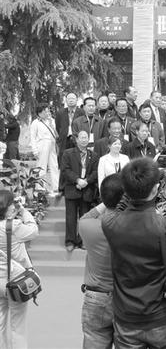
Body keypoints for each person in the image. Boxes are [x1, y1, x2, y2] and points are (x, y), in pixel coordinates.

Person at [102, 156, 166, 348]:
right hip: (161, 317)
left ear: (125, 189)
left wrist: (136, 179)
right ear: (156, 188)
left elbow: (121, 208)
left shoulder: (109, 223)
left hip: (126, 318)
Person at [78, 174, 124, 349]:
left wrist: (106, 201)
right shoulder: (132, 227)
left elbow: (88, 215)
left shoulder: (87, 225)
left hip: (95, 297)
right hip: (125, 298)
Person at [0, 190, 39, 349]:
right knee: (18, 326)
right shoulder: (13, 226)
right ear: (7, 206)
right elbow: (33, 230)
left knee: (0, 323)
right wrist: (23, 211)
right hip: (15, 280)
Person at [60, 130, 98, 251]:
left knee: (84, 218)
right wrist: (77, 180)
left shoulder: (94, 155)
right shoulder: (68, 153)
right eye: (82, 137)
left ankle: (82, 241)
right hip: (72, 188)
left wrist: (86, 181)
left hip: (86, 190)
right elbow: (65, 170)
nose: (84, 140)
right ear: (76, 140)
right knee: (71, 217)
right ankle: (70, 241)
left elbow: (95, 172)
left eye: (86, 137)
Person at [30, 103, 60, 194]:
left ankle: (56, 186)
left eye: (48, 111)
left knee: (54, 165)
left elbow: (56, 135)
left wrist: (51, 124)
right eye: (45, 111)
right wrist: (34, 150)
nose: (47, 113)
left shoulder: (52, 120)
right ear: (39, 113)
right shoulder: (35, 122)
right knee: (41, 166)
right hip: (42, 144)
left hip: (52, 143)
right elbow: (32, 137)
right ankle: (40, 187)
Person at [55, 92, 84, 159]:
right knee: (64, 159)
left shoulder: (82, 112)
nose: (71, 100)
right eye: (69, 99)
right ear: (66, 100)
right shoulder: (60, 113)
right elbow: (58, 127)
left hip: (77, 139)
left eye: (73, 98)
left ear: (76, 100)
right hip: (64, 140)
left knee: (77, 159)